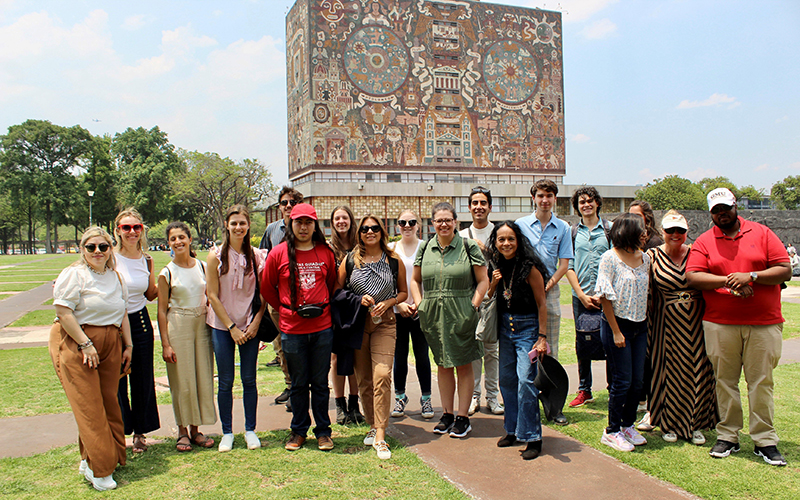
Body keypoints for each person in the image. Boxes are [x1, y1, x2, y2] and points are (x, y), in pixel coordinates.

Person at [687, 188, 791, 466]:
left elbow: (784, 269)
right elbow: (693, 276)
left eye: (725, 208)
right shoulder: (705, 241)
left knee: (761, 383)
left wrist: (752, 276)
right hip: (721, 323)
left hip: (763, 322)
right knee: (725, 382)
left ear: (735, 207)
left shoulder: (761, 233)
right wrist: (729, 281)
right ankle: (728, 435)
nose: (721, 214)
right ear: (711, 213)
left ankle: (764, 440)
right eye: (715, 210)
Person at [51, 227, 133, 491]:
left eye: (103, 246)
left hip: (111, 342)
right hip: (81, 343)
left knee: (108, 403)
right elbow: (64, 312)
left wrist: (128, 344)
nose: (97, 251)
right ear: (82, 249)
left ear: (111, 249)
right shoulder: (74, 275)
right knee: (89, 406)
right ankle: (101, 469)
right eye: (91, 247)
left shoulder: (115, 277)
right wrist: (85, 344)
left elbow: (123, 313)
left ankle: (92, 458)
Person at [262, 203, 338, 452]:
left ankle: (324, 432)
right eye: (298, 222)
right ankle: (298, 431)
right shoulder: (278, 253)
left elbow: (331, 284)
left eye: (308, 222)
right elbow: (267, 287)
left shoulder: (325, 252)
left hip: (321, 328)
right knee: (297, 383)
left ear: (315, 225)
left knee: (319, 383)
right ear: (290, 224)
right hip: (292, 330)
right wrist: (285, 309)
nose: (303, 227)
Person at [410, 202, 489, 438]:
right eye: (438, 220)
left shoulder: (468, 246)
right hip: (433, 313)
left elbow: (483, 280)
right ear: (432, 223)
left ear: (455, 221)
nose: (443, 224)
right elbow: (415, 280)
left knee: (463, 364)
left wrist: (473, 306)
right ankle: (446, 414)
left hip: (462, 310)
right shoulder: (425, 248)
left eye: (448, 219)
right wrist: (421, 303)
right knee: (443, 365)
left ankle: (463, 417)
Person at [338, 215, 408, 459]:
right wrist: (359, 299)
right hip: (358, 323)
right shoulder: (350, 259)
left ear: (382, 231)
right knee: (364, 379)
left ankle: (380, 434)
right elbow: (337, 290)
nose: (370, 232)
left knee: (382, 375)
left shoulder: (393, 259)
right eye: (365, 228)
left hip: (385, 323)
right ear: (360, 233)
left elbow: (403, 292)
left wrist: (388, 302)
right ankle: (371, 424)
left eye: (374, 228)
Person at [646, 210, 717, 445]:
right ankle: (669, 423)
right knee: (667, 372)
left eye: (680, 230)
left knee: (699, 368)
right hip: (665, 324)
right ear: (662, 232)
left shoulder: (698, 252)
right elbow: (647, 292)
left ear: (687, 232)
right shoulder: (652, 256)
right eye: (670, 230)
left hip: (697, 323)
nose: (675, 234)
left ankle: (695, 423)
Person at [206, 205, 268, 452]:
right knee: (225, 381)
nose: (238, 228)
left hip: (249, 325)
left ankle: (250, 429)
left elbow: (263, 294)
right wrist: (230, 327)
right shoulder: (215, 256)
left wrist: (255, 322)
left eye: (242, 223)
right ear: (227, 226)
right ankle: (228, 432)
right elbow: (212, 294)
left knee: (249, 379)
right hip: (222, 326)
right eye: (234, 223)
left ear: (248, 225)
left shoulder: (257, 256)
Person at [486, 221, 549, 460]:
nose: (506, 243)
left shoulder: (529, 267)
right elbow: (491, 297)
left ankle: (533, 437)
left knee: (526, 382)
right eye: (501, 239)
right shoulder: (496, 264)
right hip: (505, 327)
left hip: (528, 328)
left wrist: (541, 337)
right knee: (507, 381)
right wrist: (493, 283)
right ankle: (512, 430)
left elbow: (542, 303)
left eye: (510, 239)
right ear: (496, 242)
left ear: (518, 240)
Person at [516, 179, 572, 425]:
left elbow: (564, 264)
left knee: (550, 352)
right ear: (533, 198)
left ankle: (554, 406)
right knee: (523, 351)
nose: (544, 200)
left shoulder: (563, 228)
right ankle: (526, 404)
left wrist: (548, 285)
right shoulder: (520, 225)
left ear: (555, 198)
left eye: (549, 195)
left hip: (549, 294)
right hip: (523, 296)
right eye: (540, 195)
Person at [157, 222, 216, 452]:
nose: (178, 242)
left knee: (202, 376)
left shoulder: (202, 267)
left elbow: (211, 296)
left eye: (182, 237)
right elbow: (162, 310)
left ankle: (195, 429)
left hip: (201, 325)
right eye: (173, 239)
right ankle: (182, 431)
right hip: (178, 326)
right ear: (169, 243)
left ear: (190, 239)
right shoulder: (167, 272)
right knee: (182, 380)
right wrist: (165, 344)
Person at [595, 213, 651, 452]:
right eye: (641, 230)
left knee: (638, 382)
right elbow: (605, 296)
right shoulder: (610, 258)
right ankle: (612, 430)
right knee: (622, 381)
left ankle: (628, 425)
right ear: (627, 231)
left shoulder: (645, 258)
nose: (645, 234)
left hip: (640, 325)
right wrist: (616, 332)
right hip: (617, 325)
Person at [113, 208, 159, 454]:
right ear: (117, 231)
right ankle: (121, 430)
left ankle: (140, 432)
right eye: (126, 228)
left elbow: (150, 294)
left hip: (140, 321)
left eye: (136, 227)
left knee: (142, 379)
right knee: (118, 380)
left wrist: (170, 283)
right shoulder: (110, 257)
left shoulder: (147, 259)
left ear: (142, 230)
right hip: (114, 323)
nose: (132, 232)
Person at [565, 187, 611, 408]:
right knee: (583, 341)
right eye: (582, 202)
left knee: (611, 340)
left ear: (597, 203)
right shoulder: (572, 233)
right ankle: (585, 389)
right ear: (577, 206)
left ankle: (614, 386)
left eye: (590, 201)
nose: (586, 205)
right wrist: (582, 295)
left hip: (607, 296)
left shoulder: (609, 230)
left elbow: (615, 262)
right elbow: (568, 266)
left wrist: (604, 294)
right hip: (580, 296)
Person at [459, 186, 502, 416]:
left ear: (490, 207)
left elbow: (506, 259)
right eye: (475, 203)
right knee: (474, 351)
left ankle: (493, 397)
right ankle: (474, 396)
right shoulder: (462, 235)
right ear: (469, 207)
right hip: (472, 300)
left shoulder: (499, 231)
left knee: (492, 351)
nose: (479, 207)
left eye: (483, 203)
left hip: (494, 300)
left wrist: (486, 249)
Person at [260, 186, 304, 408]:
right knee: (281, 346)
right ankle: (290, 385)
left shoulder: (306, 229)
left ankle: (301, 389)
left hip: (302, 299)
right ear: (279, 206)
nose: (288, 206)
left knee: (298, 345)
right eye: (285, 203)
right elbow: (263, 262)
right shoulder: (271, 230)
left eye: (293, 202)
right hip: (277, 299)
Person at [390, 209, 434, 420]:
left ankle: (426, 399)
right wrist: (399, 306)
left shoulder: (426, 247)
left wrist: (419, 304)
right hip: (397, 311)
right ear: (397, 225)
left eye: (411, 222)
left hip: (420, 311)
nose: (407, 226)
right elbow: (387, 281)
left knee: (422, 356)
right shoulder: (390, 249)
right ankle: (400, 397)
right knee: (399, 357)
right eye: (402, 222)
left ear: (419, 224)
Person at [328, 205, 365, 425]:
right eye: (337, 218)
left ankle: (354, 404)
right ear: (332, 222)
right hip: (335, 307)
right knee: (336, 357)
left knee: (355, 358)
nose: (341, 221)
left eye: (345, 217)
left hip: (357, 306)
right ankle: (340, 405)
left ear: (351, 220)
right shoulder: (327, 247)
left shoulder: (360, 246)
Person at [628, 199, 662, 430]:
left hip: (653, 312)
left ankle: (651, 405)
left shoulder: (655, 243)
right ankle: (640, 400)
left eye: (637, 216)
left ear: (647, 219)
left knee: (650, 359)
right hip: (637, 311)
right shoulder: (630, 243)